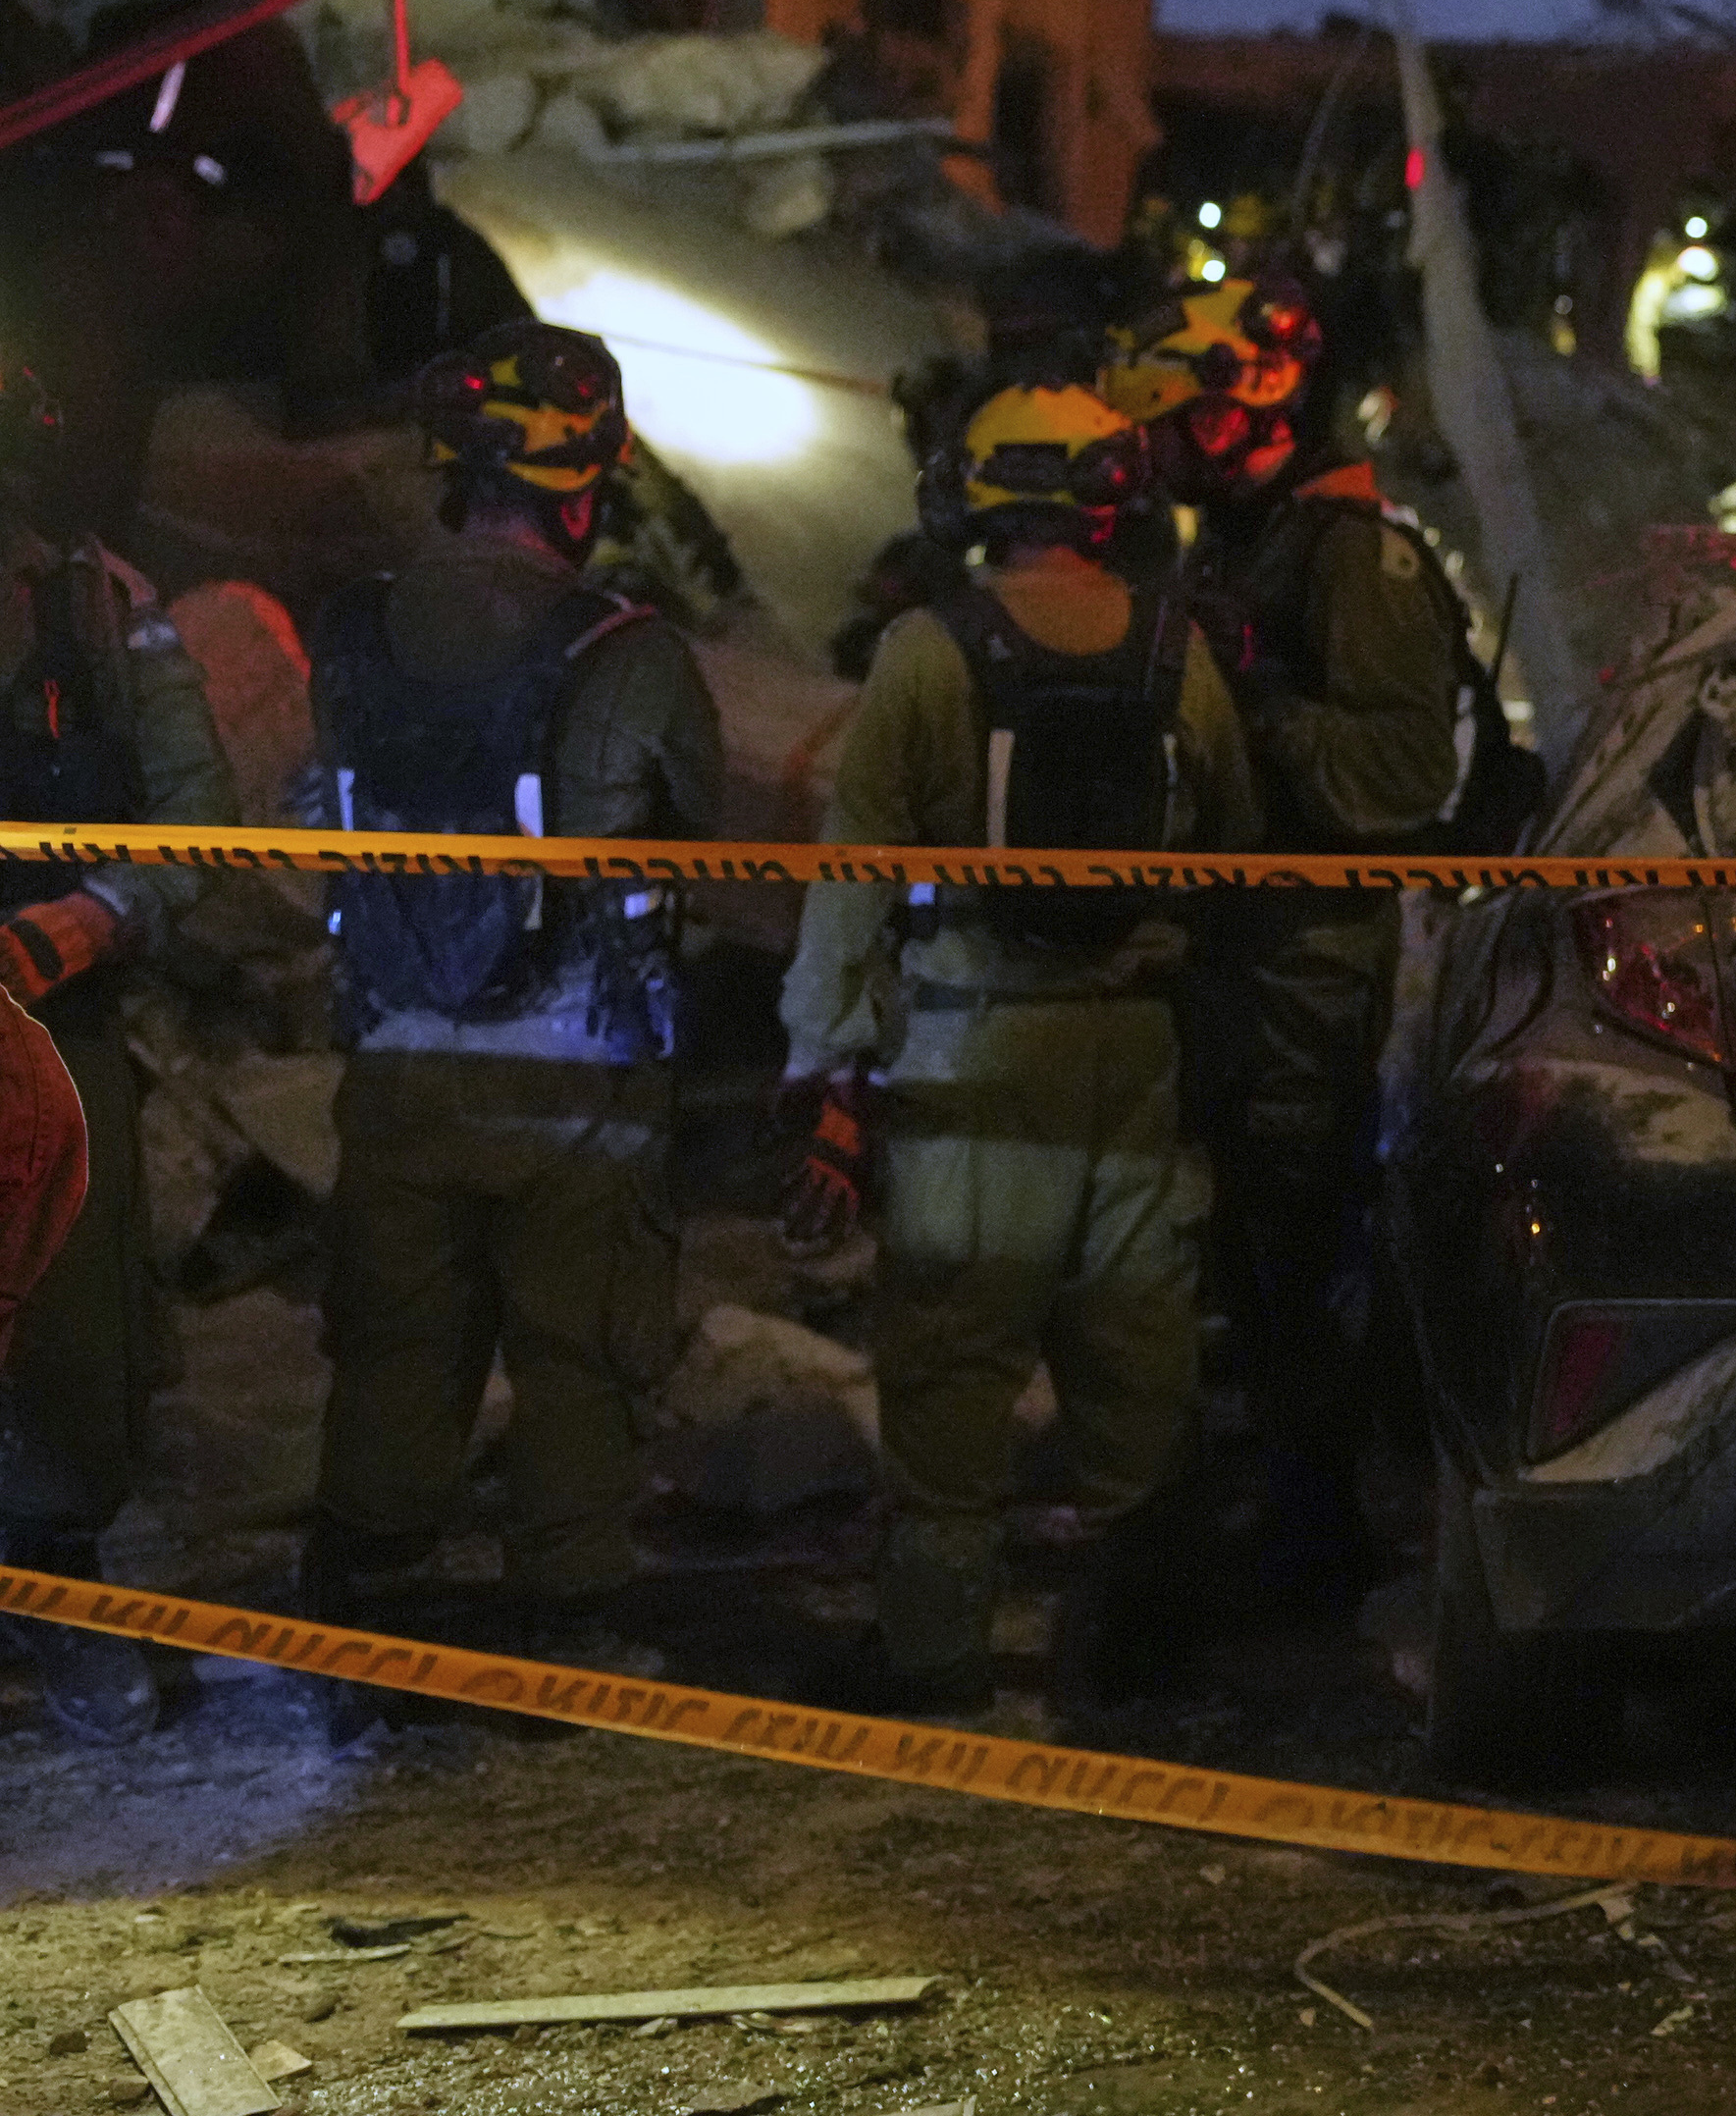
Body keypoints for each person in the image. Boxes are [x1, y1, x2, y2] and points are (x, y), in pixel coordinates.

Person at [775, 381, 1256, 1715]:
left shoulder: (928, 651)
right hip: (1135, 1054)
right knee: (1138, 1346)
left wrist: (830, 1066)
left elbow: (856, 868)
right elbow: (1234, 839)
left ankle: (932, 1654)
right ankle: (1144, 1656)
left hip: (972, 1052)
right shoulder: (1183, 652)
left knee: (951, 1355)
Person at [296, 329, 725, 1667]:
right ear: (585, 485)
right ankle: (572, 1621)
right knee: (579, 1356)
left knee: (396, 1347)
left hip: (398, 1062)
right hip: (579, 1084)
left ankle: (363, 1606)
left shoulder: (355, 629)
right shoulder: (631, 650)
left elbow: (320, 812)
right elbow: (700, 843)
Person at [1105, 271, 1465, 1608]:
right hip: (1238, 949)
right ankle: (1270, 1501)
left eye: (1181, 423)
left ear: (1253, 408)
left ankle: (1320, 1536)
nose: (1164, 450)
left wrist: (1254, 692)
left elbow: (1398, 777)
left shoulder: (1354, 557)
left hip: (1310, 961)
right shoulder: (1247, 540)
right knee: (1247, 1256)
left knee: (1298, 1243)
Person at [0, 346, 234, 1742]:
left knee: (72, 1357)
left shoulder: (97, 611)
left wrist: (92, 916)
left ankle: (65, 1599)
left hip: (49, 1030)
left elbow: (196, 830)